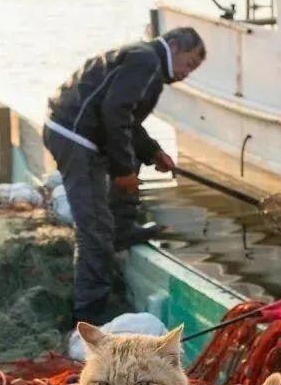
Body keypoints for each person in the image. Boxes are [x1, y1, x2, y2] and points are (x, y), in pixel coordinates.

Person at [43, 27, 206, 325]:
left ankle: (123, 227)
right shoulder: (146, 62)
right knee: (94, 226)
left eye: (193, 69)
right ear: (173, 45)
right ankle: (89, 311)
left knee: (127, 163)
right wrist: (123, 172)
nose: (186, 73)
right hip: (75, 138)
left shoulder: (144, 58)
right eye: (189, 63)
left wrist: (153, 152)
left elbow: (127, 121)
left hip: (78, 132)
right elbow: (115, 114)